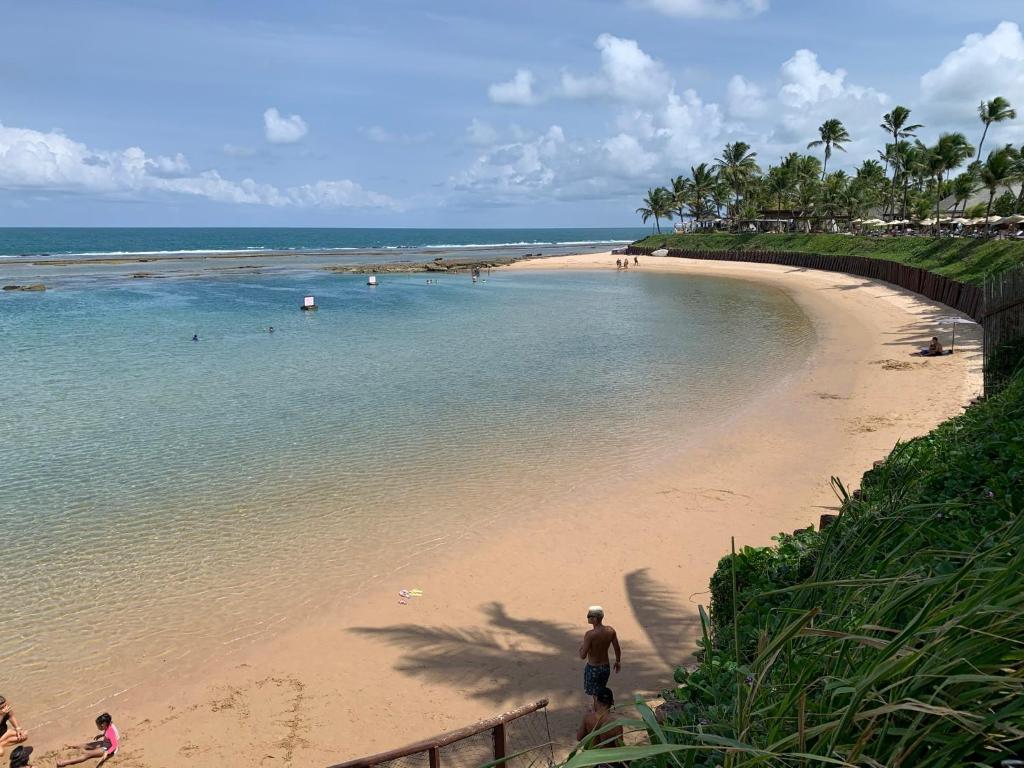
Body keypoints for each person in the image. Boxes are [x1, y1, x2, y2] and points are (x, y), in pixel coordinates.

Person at [579, 606, 621, 709]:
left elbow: (582, 656)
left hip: (593, 668)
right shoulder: (610, 631)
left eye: (589, 616)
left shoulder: (590, 635)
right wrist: (617, 661)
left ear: (595, 619)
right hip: (605, 667)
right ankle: (603, 710)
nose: (587, 617)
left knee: (595, 695)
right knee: (601, 690)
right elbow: (617, 648)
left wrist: (582, 648)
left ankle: (598, 714)